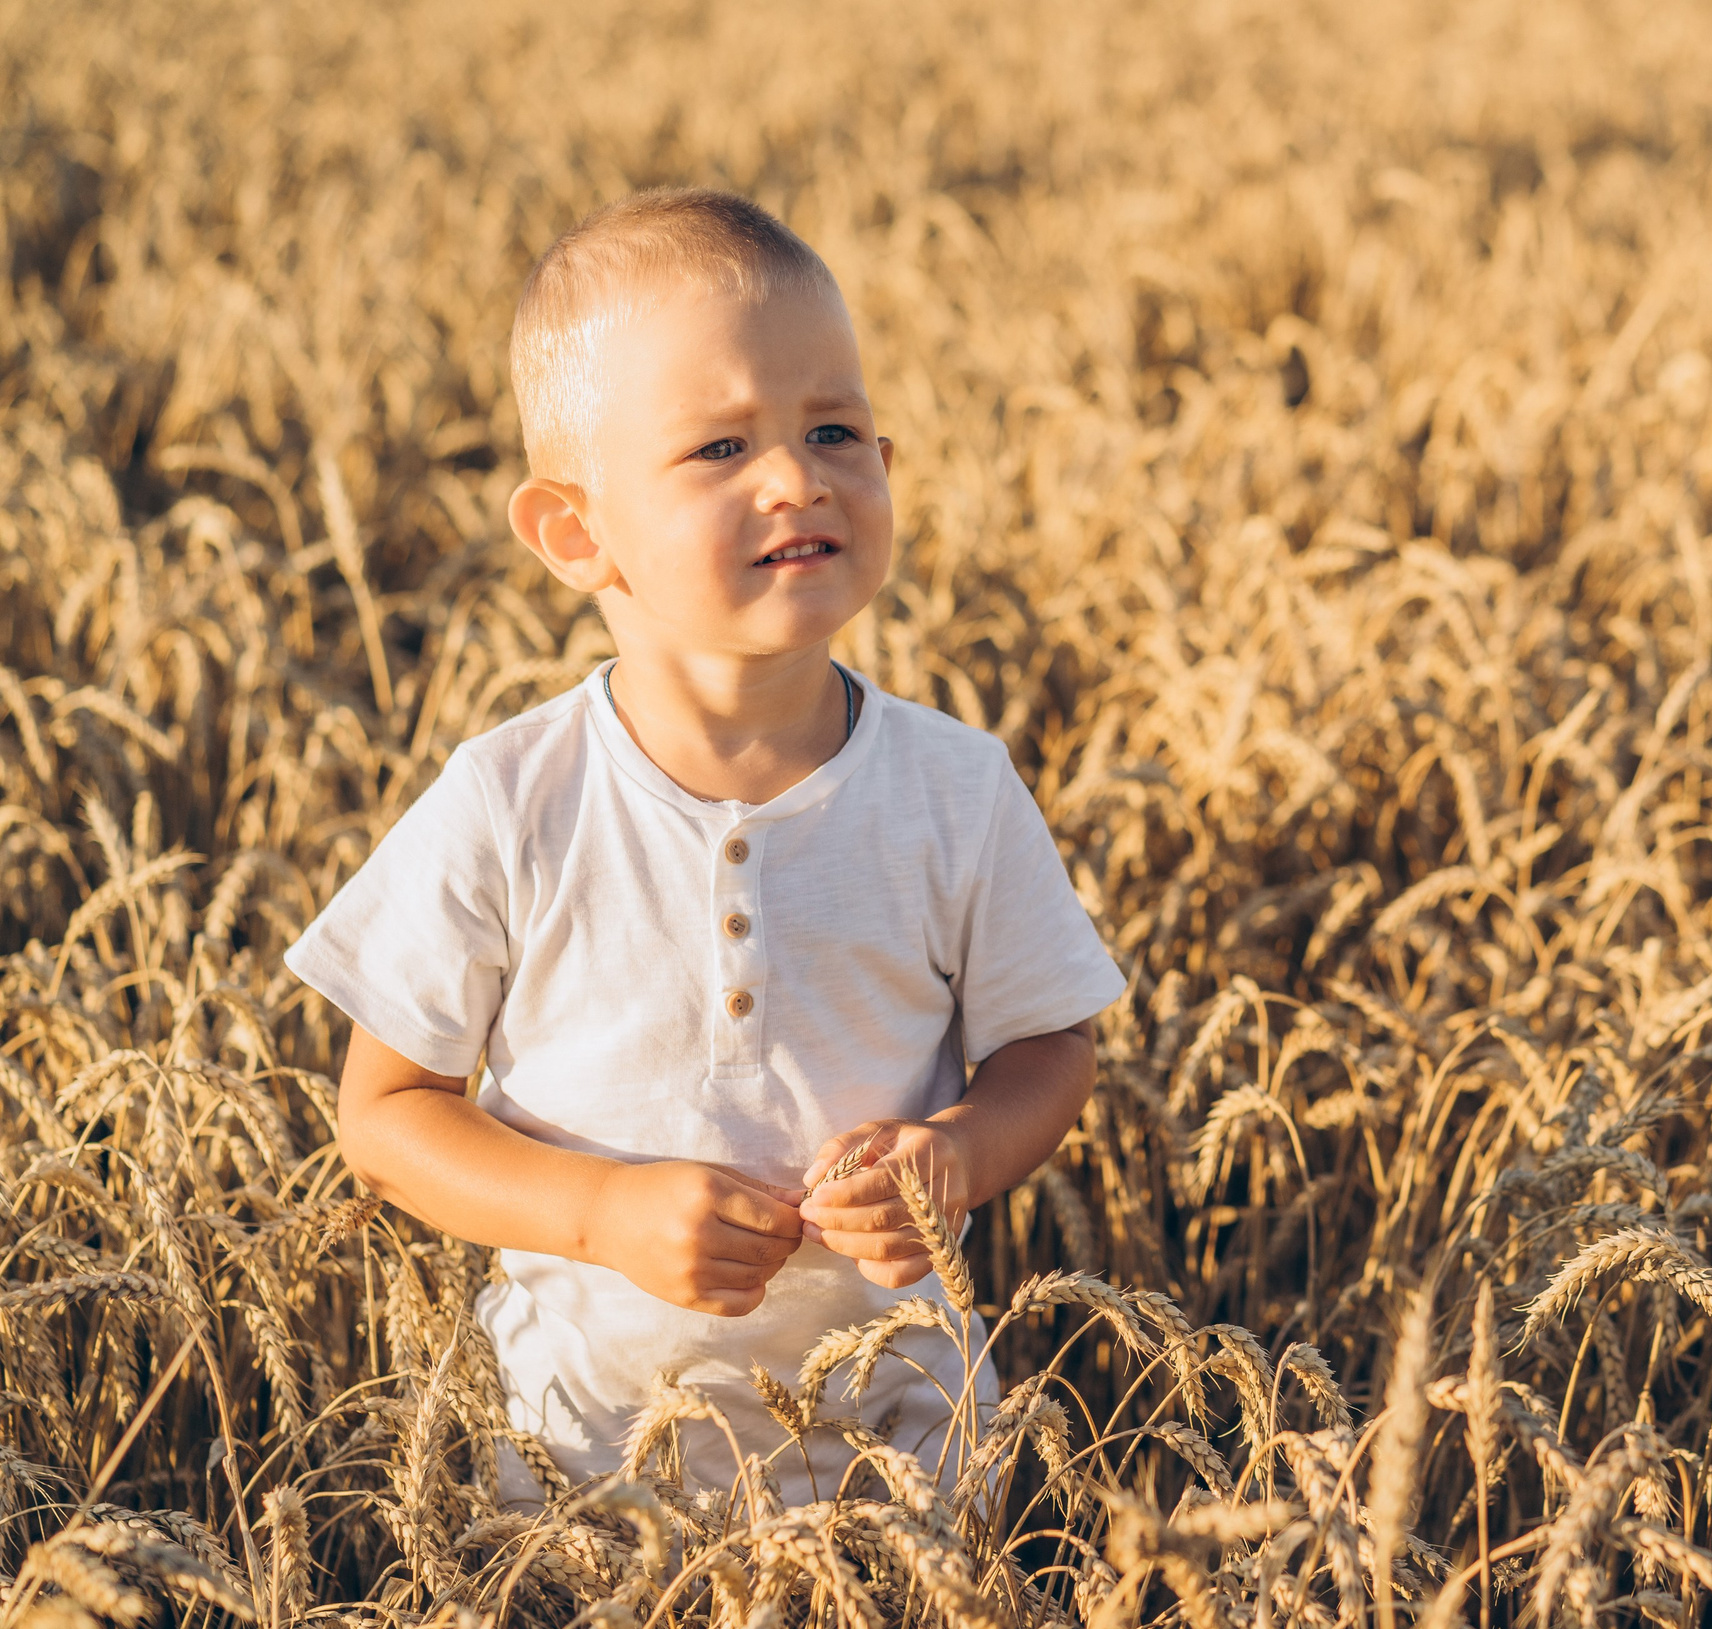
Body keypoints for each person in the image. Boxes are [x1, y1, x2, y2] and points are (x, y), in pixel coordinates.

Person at [284, 188, 1125, 1505]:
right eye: (720, 447)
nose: (798, 476)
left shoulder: (957, 789)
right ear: (577, 533)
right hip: (588, 1461)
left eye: (834, 430)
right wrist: (598, 1216)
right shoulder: (509, 800)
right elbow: (387, 1116)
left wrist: (960, 1149)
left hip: (902, 1440)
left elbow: (1051, 1051)